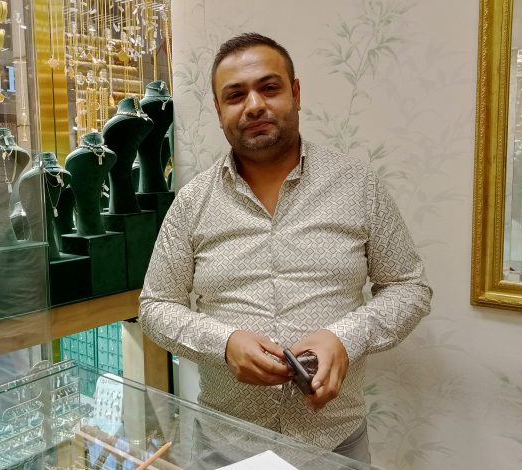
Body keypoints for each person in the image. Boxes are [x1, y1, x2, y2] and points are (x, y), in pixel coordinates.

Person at [139, 32, 432, 464]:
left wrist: (345, 338)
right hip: (226, 443)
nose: (254, 105)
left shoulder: (358, 185)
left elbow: (409, 288)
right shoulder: (191, 202)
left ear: (296, 93)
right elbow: (155, 306)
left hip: (334, 442)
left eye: (269, 87)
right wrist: (223, 343)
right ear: (219, 112)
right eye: (235, 95)